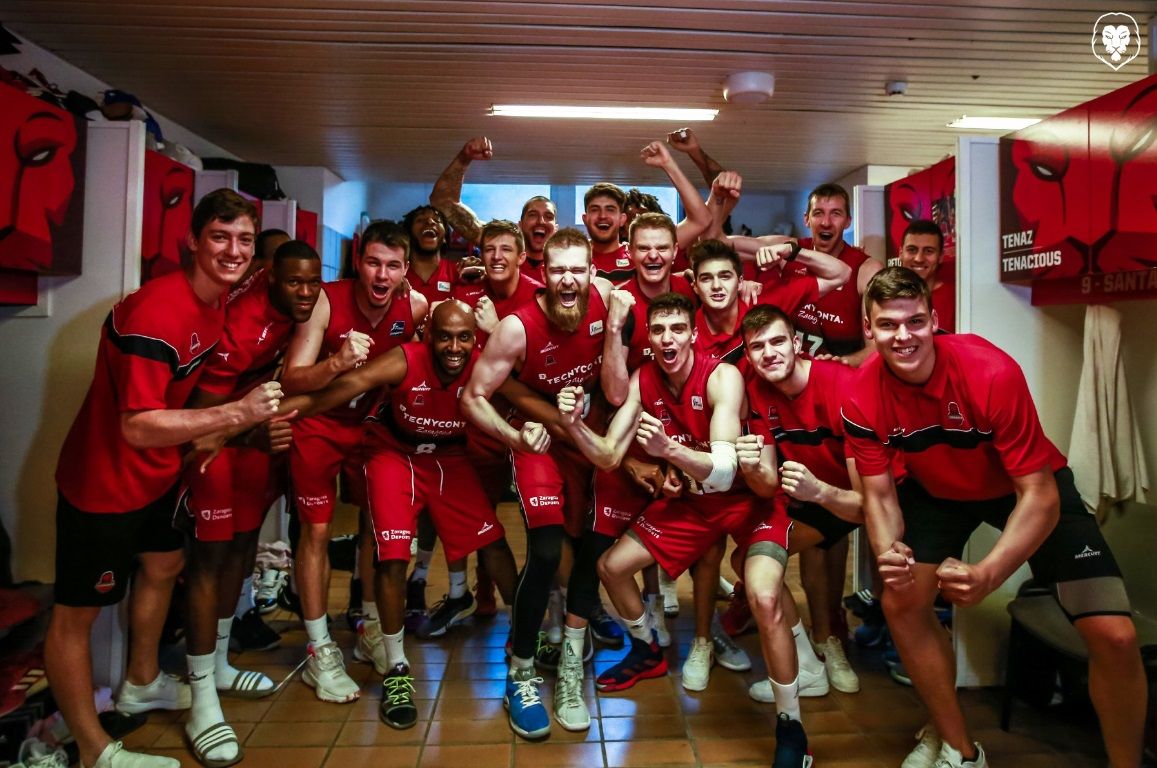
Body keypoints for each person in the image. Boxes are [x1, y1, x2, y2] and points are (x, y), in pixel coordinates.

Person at [843, 266, 1145, 768]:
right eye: (889, 324)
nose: (904, 336)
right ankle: (961, 750)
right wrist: (887, 549)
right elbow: (878, 496)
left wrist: (988, 573)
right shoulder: (859, 393)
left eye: (915, 321)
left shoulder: (990, 371)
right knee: (901, 602)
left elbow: (1040, 494)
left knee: (1116, 635)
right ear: (869, 329)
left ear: (934, 319)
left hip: (1022, 487)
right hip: (936, 491)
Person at [48, 189, 282, 768]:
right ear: (193, 241)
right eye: (220, 237)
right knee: (76, 614)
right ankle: (94, 748)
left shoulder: (219, 300)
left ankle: (142, 681)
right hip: (103, 483)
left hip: (158, 476)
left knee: (164, 565)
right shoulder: (159, 310)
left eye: (244, 240)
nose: (233, 250)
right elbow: (136, 426)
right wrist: (235, 416)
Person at [557, 292, 813, 768]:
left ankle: (791, 726)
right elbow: (611, 455)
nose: (668, 338)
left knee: (762, 597)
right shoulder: (643, 378)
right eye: (659, 331)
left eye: (678, 329)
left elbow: (721, 470)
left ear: (693, 334)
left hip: (748, 498)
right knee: (611, 567)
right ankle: (648, 649)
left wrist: (671, 452)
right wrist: (573, 425)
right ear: (650, 340)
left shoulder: (723, 376)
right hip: (696, 504)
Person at [279, 301, 519, 730]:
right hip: (395, 455)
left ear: (475, 339)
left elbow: (522, 397)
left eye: (464, 337)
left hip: (448, 458)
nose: (454, 346)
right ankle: (396, 667)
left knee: (495, 543)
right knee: (392, 555)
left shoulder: (481, 365)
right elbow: (342, 388)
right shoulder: (404, 359)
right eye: (445, 335)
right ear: (429, 335)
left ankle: (526, 639)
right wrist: (269, 414)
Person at [462, 227, 614, 739]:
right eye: (558, 270)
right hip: (540, 445)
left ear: (592, 272)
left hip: (589, 439)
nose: (569, 279)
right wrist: (514, 436)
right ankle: (521, 670)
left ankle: (571, 667)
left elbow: (617, 377)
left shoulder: (608, 302)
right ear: (542, 275)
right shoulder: (516, 327)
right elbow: (473, 395)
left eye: (578, 269)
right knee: (547, 552)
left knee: (592, 546)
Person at [178, 239, 323, 766]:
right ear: (270, 278)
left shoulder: (297, 310)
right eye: (294, 282)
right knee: (209, 562)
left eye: (313, 282)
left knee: (242, 547)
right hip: (221, 443)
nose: (306, 292)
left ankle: (217, 662)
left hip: (253, 438)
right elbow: (200, 424)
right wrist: (250, 433)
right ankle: (200, 698)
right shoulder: (243, 325)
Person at [280, 220, 428, 704]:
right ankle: (319, 650)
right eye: (372, 263)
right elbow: (293, 377)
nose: (381, 275)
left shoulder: (416, 306)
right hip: (318, 426)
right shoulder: (327, 298)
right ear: (357, 262)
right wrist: (337, 364)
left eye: (392, 265)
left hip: (372, 429)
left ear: (406, 270)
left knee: (374, 524)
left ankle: (366, 625)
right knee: (317, 531)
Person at [741, 304, 869, 702]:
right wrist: (748, 466)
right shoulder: (758, 392)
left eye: (778, 341)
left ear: (797, 344)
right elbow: (765, 480)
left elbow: (870, 501)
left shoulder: (840, 382)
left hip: (862, 495)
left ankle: (824, 647)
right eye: (757, 346)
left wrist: (821, 493)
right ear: (747, 356)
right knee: (753, 558)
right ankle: (813, 657)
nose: (769, 353)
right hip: (809, 494)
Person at [428, 137, 559, 275]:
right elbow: (443, 202)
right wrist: (463, 159)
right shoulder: (499, 243)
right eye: (533, 215)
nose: (541, 221)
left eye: (548, 216)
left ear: (556, 228)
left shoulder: (569, 261)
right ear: (520, 225)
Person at [899, 219, 954, 332]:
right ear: (901, 253)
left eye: (928, 251)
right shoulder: (886, 296)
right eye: (912, 250)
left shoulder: (956, 298)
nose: (919, 258)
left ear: (941, 256)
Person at [402, 205, 457, 303]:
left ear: (445, 237)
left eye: (437, 220)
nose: (430, 221)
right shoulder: (397, 274)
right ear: (408, 234)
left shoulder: (458, 273)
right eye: (420, 220)